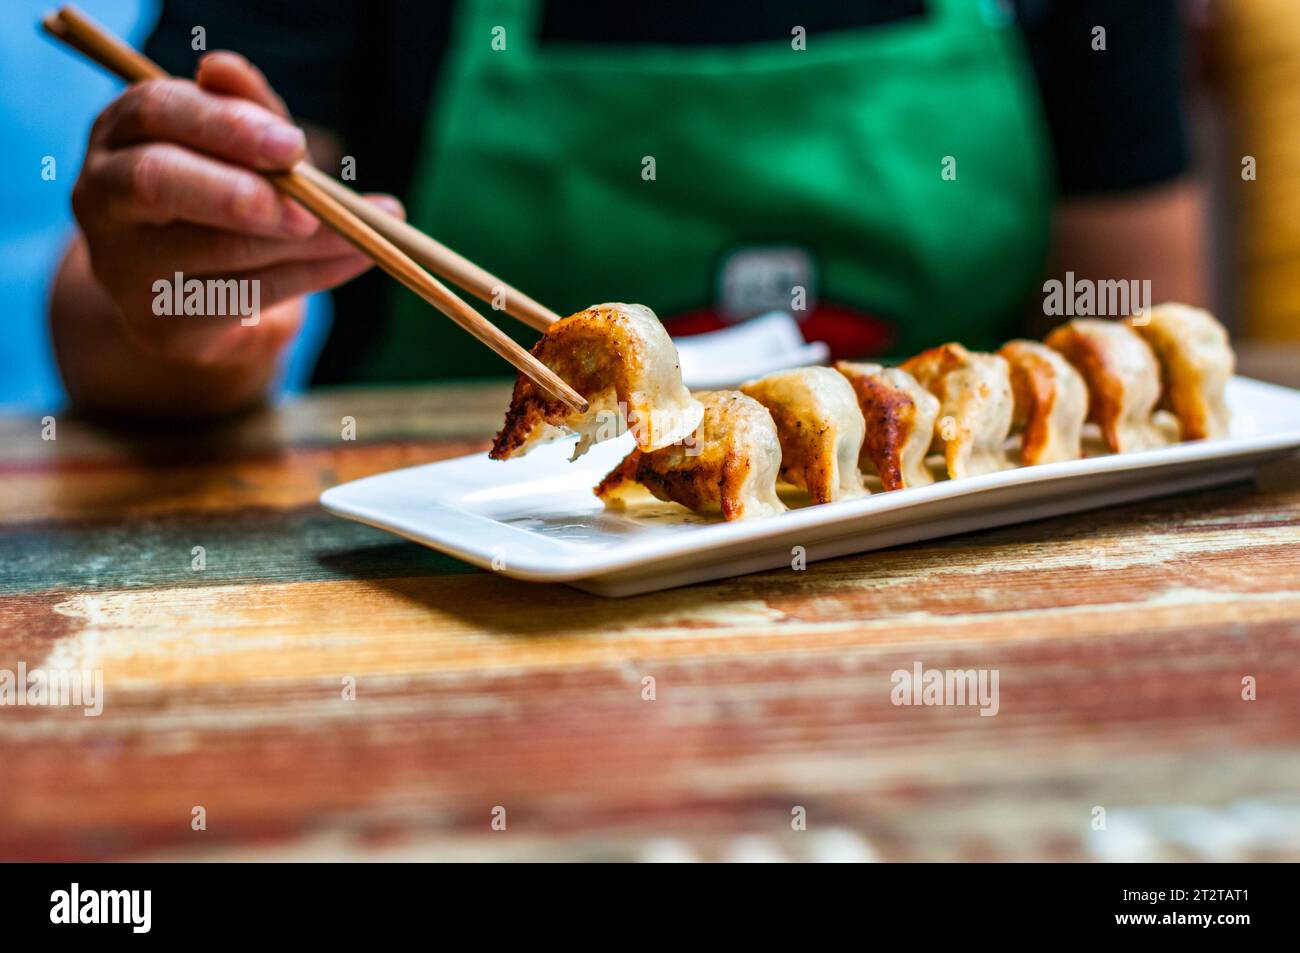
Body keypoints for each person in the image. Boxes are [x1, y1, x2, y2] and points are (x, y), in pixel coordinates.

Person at [50, 0, 1207, 420]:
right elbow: (110, 333)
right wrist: (180, 296)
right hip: (443, 604)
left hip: (959, 597)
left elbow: (1136, 361)